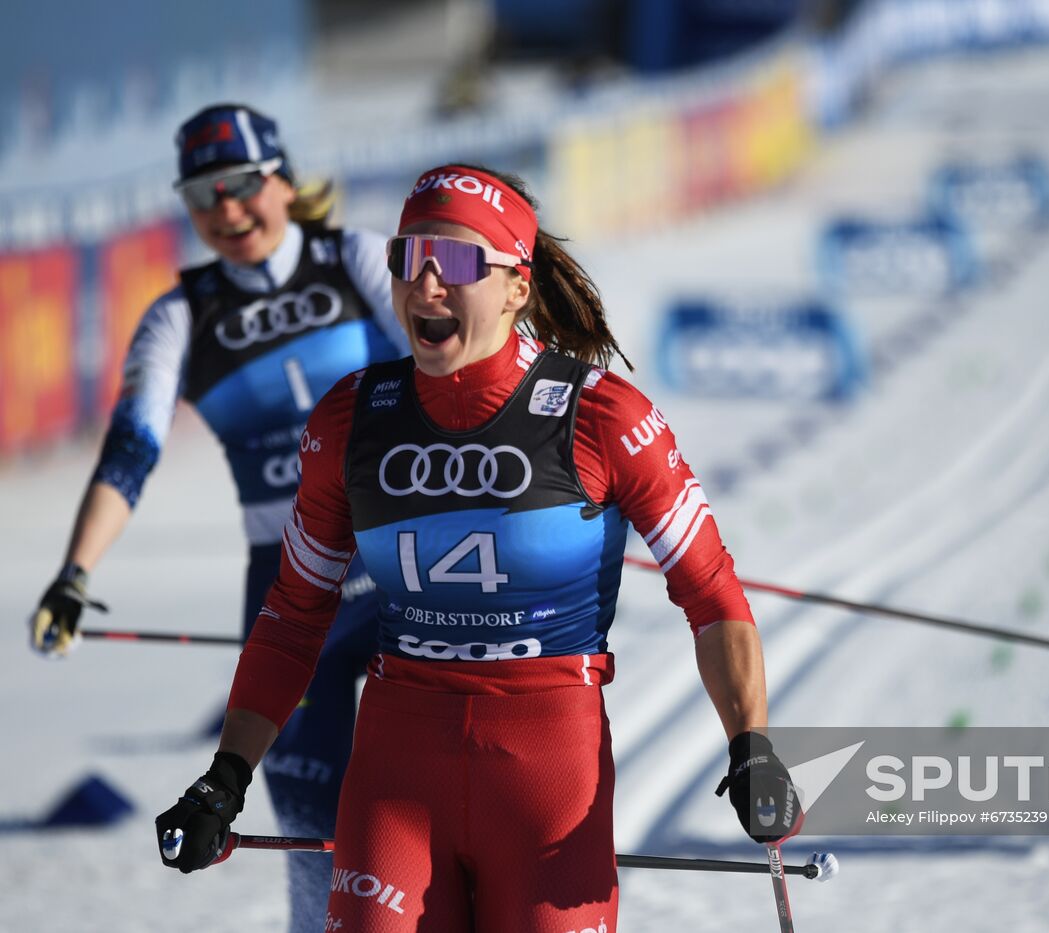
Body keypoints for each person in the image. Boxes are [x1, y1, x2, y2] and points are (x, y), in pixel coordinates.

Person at [154, 164, 802, 931]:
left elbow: (710, 591)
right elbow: (296, 614)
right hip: (397, 772)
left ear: (515, 286)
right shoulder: (352, 419)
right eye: (407, 258)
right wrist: (226, 774)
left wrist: (751, 743)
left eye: (457, 262)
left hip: (545, 776)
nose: (425, 283)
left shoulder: (603, 417)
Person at [28, 103, 409, 932]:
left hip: (398, 563)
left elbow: (455, 370)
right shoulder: (180, 316)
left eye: (241, 186)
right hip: (285, 586)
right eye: (203, 198)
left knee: (422, 808)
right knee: (314, 835)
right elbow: (130, 451)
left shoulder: (355, 257)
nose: (227, 212)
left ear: (281, 178)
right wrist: (74, 572)